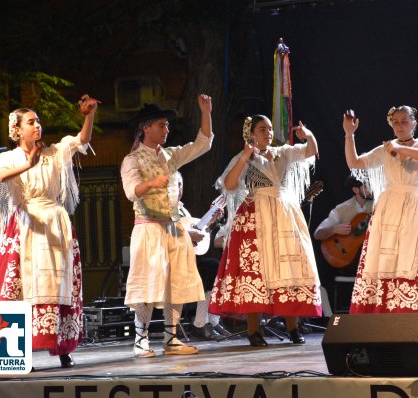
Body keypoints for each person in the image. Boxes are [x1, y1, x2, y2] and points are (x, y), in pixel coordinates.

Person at [0, 95, 99, 368]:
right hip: (27, 223)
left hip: (56, 223)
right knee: (22, 287)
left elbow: (81, 140)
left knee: (58, 284)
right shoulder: (8, 158)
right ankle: (19, 351)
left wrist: (89, 115)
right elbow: (0, 178)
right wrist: (29, 164)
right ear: (18, 130)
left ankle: (61, 347)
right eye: (31, 122)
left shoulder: (54, 153)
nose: (38, 126)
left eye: (38, 122)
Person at [209, 114, 322, 347]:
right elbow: (229, 185)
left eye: (270, 129)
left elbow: (310, 151)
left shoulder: (283, 153)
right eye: (262, 129)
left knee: (289, 267)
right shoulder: (246, 159)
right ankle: (253, 330)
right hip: (255, 216)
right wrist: (244, 156)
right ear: (251, 134)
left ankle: (292, 326)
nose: (268, 133)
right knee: (256, 271)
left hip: (284, 213)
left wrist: (307, 135)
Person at [120, 94, 213, 357]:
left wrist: (205, 112)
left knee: (177, 283)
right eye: (161, 125)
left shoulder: (171, 156)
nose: (166, 129)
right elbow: (131, 191)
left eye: (167, 125)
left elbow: (203, 144)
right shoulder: (133, 160)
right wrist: (151, 183)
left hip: (173, 227)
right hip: (149, 227)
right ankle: (140, 340)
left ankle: (171, 339)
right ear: (146, 127)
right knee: (148, 284)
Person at [343, 106, 418, 317]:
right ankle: (385, 307)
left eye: (404, 121)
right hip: (390, 207)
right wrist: (349, 135)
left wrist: (399, 150)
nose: (400, 125)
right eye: (396, 122)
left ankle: (415, 307)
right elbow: (354, 162)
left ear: (414, 123)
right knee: (386, 257)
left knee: (414, 256)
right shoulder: (384, 149)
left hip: (415, 205)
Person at [175, 172, 226, 340]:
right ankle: (199, 323)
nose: (178, 189)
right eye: (175, 184)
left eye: (180, 184)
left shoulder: (182, 209)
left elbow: (198, 233)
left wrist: (211, 221)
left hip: (188, 256)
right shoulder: (166, 210)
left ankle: (212, 320)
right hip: (174, 260)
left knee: (217, 268)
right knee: (209, 269)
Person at [314, 174, 374, 313]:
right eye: (366, 186)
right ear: (355, 190)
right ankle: (331, 317)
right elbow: (318, 234)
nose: (370, 189)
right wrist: (334, 229)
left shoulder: (378, 206)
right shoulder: (341, 209)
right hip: (349, 261)